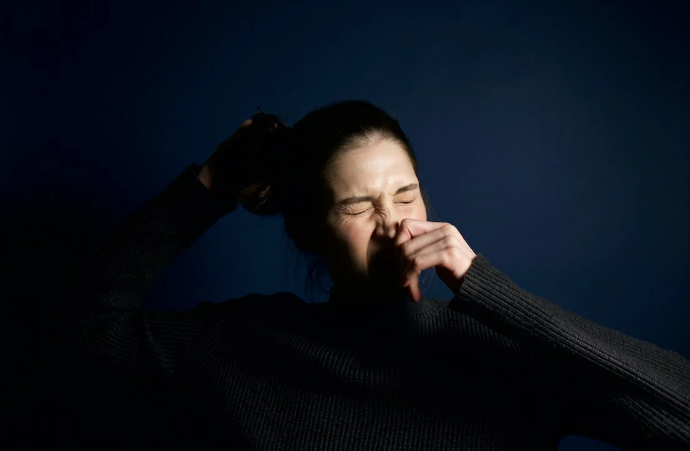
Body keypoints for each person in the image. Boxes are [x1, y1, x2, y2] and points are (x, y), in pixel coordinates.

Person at [51, 100, 689, 449]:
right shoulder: (242, 344)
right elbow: (84, 330)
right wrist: (210, 185)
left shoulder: (500, 353)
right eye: (357, 206)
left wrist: (486, 288)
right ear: (306, 230)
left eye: (406, 195)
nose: (391, 223)